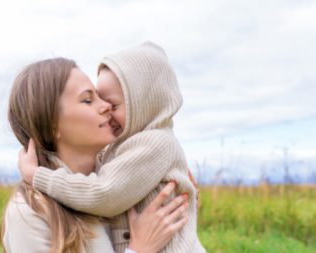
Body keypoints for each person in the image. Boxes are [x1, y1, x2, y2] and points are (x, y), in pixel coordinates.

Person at [19, 42, 206, 253]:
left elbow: (105, 192)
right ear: (53, 125)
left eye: (112, 103)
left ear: (144, 104)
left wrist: (39, 176)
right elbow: (105, 191)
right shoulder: (29, 213)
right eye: (89, 100)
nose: (105, 107)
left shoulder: (152, 145)